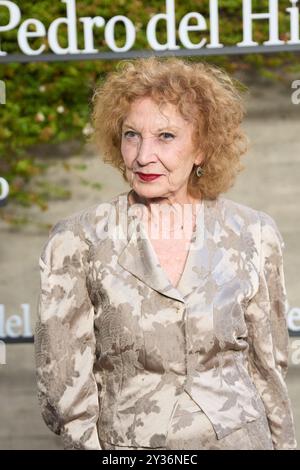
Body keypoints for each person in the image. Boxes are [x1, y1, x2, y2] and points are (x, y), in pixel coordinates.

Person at [34, 56, 297, 450]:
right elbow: (64, 390)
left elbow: (269, 366)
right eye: (131, 135)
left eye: (166, 137)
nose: (143, 156)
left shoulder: (254, 233)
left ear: (202, 149)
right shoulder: (78, 240)